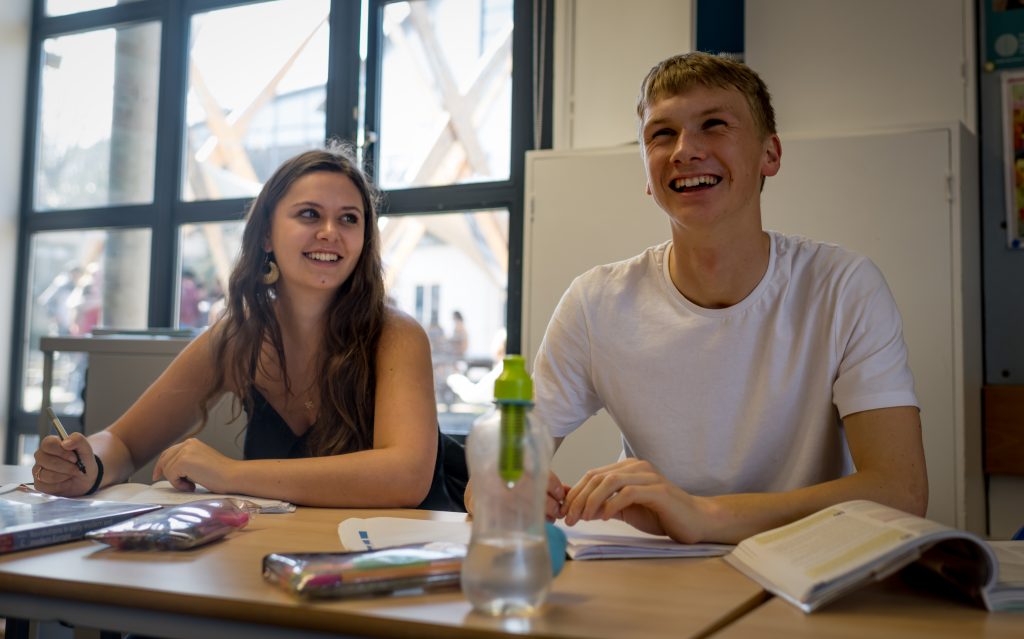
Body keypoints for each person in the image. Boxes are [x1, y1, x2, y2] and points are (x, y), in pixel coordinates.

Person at [475, 52, 928, 543]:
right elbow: (514, 444)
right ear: (647, 177)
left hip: (809, 570)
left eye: (714, 125)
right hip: (656, 571)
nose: (685, 151)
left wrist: (701, 515)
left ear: (769, 155)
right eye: (661, 134)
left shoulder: (843, 287)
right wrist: (501, 482)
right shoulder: (595, 301)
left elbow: (899, 491)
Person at [33, 143, 462, 511]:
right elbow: (124, 443)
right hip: (286, 556)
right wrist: (86, 467)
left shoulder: (395, 335)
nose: (331, 232)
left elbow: (405, 477)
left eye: (350, 219)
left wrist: (229, 473)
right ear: (266, 237)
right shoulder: (239, 336)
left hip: (403, 561)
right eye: (310, 214)